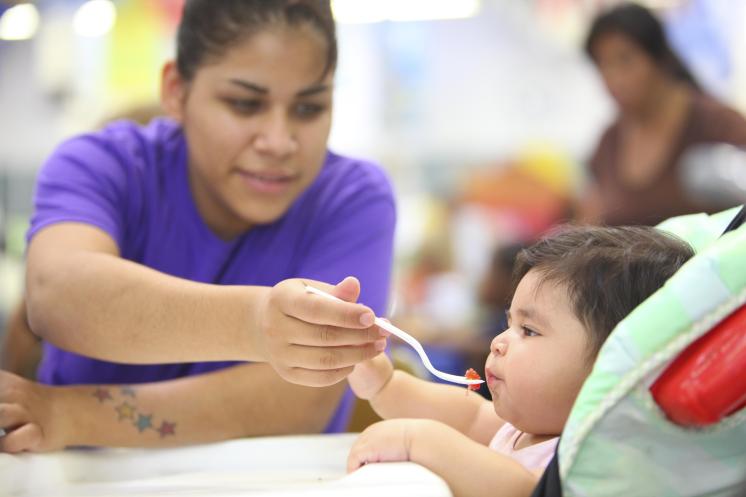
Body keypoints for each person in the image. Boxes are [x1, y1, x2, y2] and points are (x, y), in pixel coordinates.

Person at [0, 0, 396, 453]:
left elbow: (300, 401)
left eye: (308, 109)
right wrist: (255, 322)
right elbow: (58, 297)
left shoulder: (351, 198)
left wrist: (69, 414)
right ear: (176, 90)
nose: (279, 141)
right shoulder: (102, 164)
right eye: (245, 104)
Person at [345, 225, 693, 497]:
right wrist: (383, 383)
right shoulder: (522, 431)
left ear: (612, 363)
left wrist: (416, 441)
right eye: (508, 323)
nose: (498, 343)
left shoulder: (586, 459)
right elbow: (464, 414)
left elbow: (521, 490)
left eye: (528, 330)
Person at [579, 3, 746, 226]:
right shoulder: (608, 143)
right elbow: (589, 222)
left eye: (624, 60)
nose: (614, 79)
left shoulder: (719, 126)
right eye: (603, 66)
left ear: (658, 58)